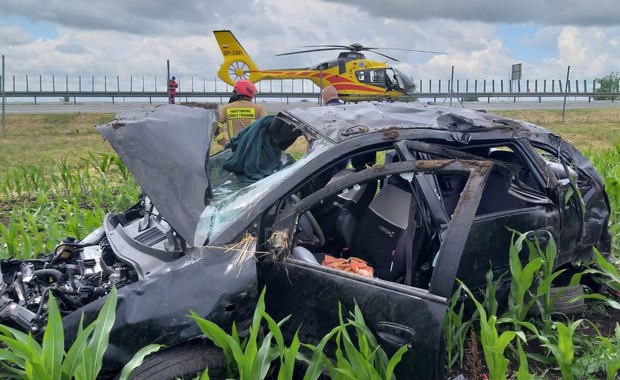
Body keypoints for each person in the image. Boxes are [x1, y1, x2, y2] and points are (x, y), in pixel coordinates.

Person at [215, 79, 267, 147]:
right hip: (251, 149)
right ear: (250, 93)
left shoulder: (226, 108)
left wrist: (223, 142)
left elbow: (214, 127)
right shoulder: (258, 109)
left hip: (233, 149)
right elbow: (269, 127)